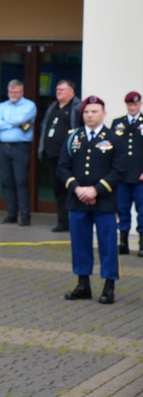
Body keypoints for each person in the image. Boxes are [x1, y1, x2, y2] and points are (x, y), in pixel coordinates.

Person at [59, 96, 122, 304]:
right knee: (80, 243)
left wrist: (96, 190)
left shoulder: (114, 138)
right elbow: (63, 167)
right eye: (86, 112)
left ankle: (109, 286)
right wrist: (77, 189)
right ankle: (83, 284)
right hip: (77, 201)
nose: (90, 115)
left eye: (94, 111)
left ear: (103, 113)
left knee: (108, 244)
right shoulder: (73, 137)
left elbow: (118, 170)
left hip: (104, 201)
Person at [37, 79, 83, 232]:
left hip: (70, 158)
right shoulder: (53, 107)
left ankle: (74, 222)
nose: (58, 92)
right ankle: (62, 222)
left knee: (71, 188)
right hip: (52, 156)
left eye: (62, 89)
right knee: (58, 190)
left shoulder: (77, 108)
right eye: (57, 89)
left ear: (72, 91)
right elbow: (45, 129)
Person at [0, 79, 37, 225]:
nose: (13, 94)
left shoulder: (29, 105)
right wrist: (13, 124)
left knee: (21, 181)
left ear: (22, 92)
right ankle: (11, 215)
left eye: (16, 91)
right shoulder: (2, 106)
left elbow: (22, 119)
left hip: (20, 147)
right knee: (7, 181)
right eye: (11, 91)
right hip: (4, 147)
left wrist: (5, 123)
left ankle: (25, 217)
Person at [110, 91, 143, 255]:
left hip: (140, 177)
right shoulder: (118, 123)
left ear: (140, 104)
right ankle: (123, 242)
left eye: (135, 104)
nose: (132, 107)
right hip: (122, 176)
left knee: (142, 210)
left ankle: (142, 244)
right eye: (130, 104)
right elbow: (110, 148)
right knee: (122, 209)